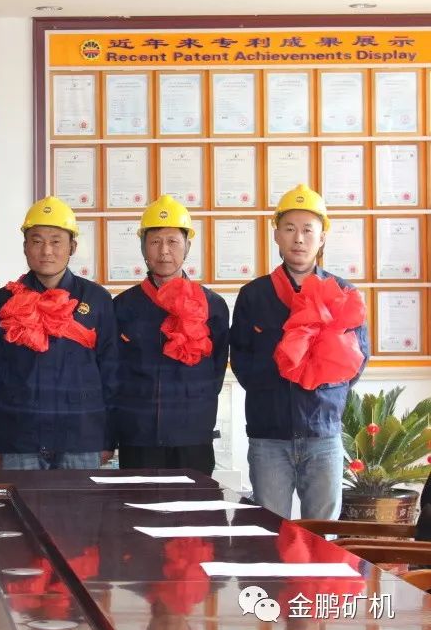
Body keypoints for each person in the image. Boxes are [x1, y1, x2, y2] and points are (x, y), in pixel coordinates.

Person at [231, 184, 369, 519]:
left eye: (308, 230)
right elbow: (241, 361)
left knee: (323, 532)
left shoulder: (342, 294)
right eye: (290, 229)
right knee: (268, 530)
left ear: (322, 238)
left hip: (323, 434)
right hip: (269, 437)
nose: (299, 239)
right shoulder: (254, 295)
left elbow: (356, 361)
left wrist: (320, 391)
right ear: (276, 235)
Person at [0, 196, 118, 470]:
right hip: (18, 439)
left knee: (81, 502)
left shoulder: (96, 299)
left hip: (81, 438)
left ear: (72, 247)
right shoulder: (3, 301)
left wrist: (107, 438)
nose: (46, 251)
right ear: (25, 246)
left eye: (56, 241)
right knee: (21, 500)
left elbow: (111, 372)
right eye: (37, 241)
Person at [112, 196, 229, 476]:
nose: (164, 251)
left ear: (187, 246)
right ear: (143, 247)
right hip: (138, 437)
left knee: (195, 504)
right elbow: (113, 372)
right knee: (137, 503)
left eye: (173, 241)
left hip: (193, 437)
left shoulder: (212, 305)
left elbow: (215, 372)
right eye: (155, 241)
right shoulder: (123, 306)